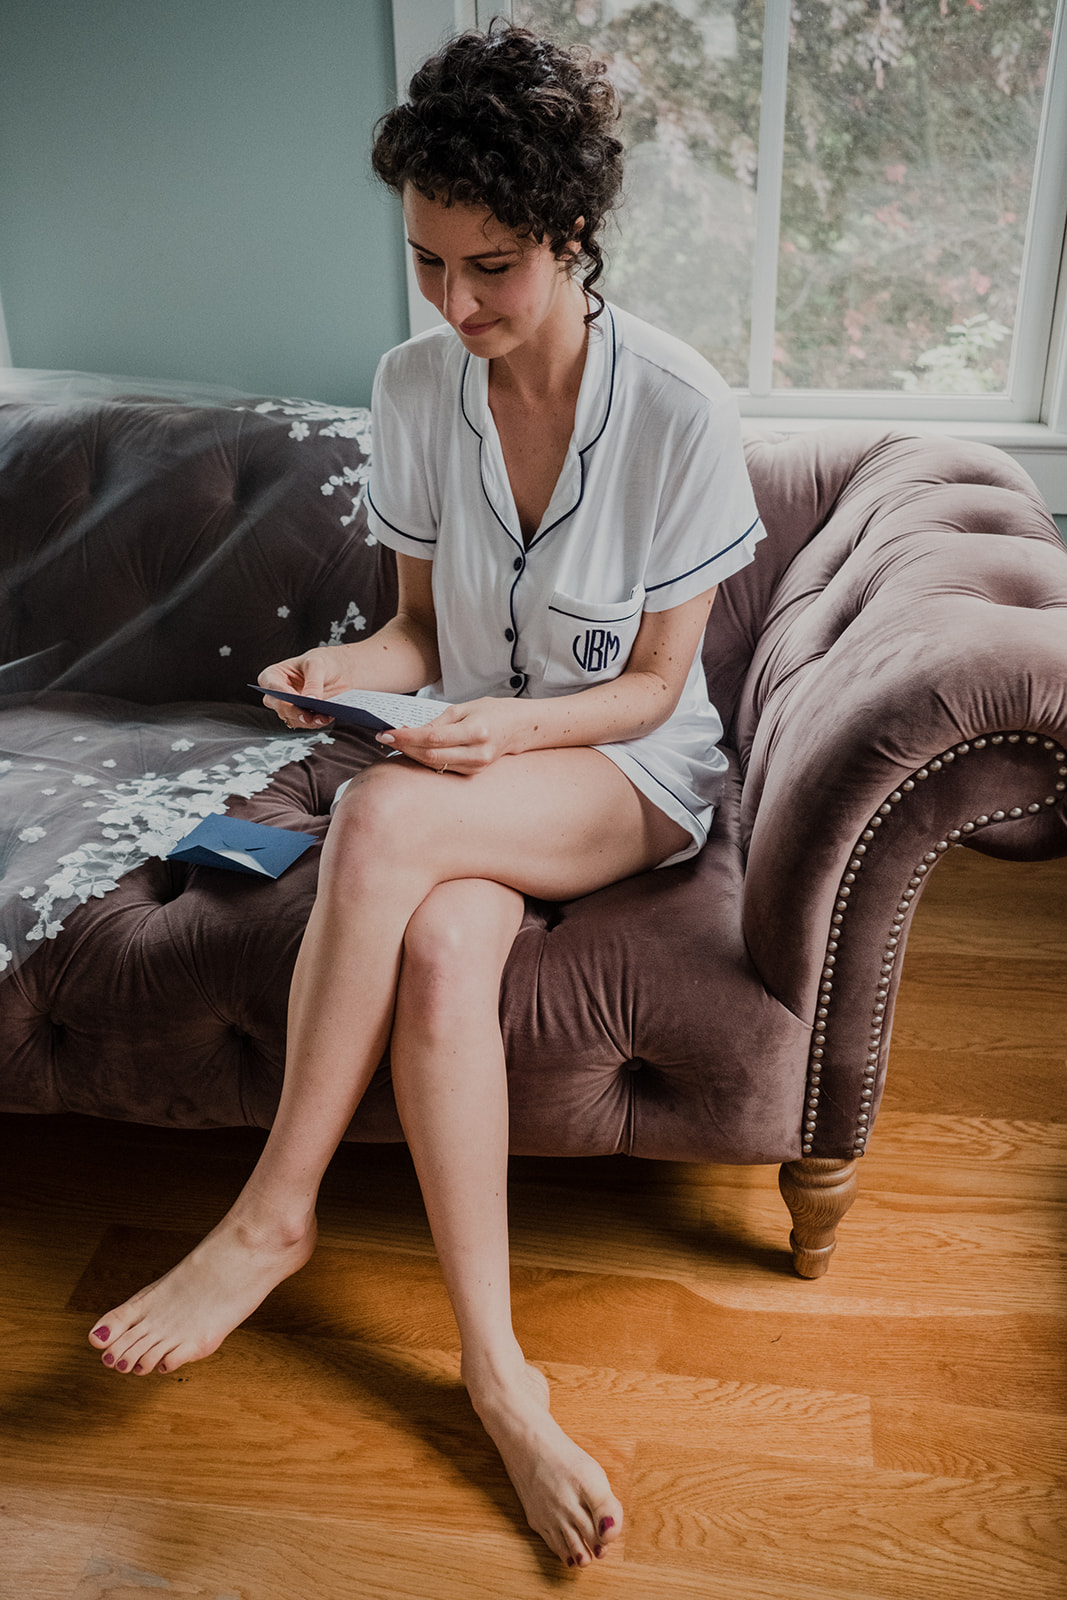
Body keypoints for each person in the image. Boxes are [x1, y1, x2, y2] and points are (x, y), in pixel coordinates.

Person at [88, 23, 763, 1570]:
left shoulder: (674, 406)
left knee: (382, 822)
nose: (457, 305)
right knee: (447, 948)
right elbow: (415, 628)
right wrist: (351, 664)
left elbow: (657, 692)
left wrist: (505, 740)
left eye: (495, 267)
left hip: (621, 767)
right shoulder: (413, 385)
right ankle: (498, 1374)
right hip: (464, 755)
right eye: (429, 264)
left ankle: (271, 1217)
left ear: (574, 237)